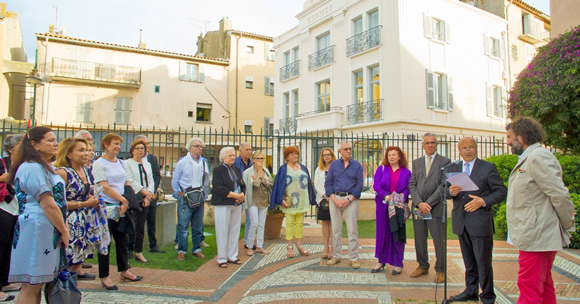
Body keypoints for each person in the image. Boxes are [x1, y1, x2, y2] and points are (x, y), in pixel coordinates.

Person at [506, 118, 575, 304]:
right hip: (535, 235)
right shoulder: (531, 158)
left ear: (522, 136)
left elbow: (559, 195)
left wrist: (567, 223)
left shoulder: (538, 158)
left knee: (529, 286)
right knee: (543, 286)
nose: (507, 142)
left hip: (538, 235)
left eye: (509, 137)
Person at [7, 127, 70, 304]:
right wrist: (64, 231)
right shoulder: (32, 168)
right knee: (32, 283)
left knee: (38, 283)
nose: (55, 143)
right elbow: (48, 204)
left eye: (55, 139)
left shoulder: (45, 167)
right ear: (34, 144)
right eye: (50, 140)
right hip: (37, 227)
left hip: (45, 227)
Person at [447, 137, 506, 303]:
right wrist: (451, 192)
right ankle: (471, 290)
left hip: (480, 223)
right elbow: (444, 192)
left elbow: (501, 192)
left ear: (476, 148)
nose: (468, 150)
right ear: (459, 150)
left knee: (483, 262)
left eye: (471, 147)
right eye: (464, 148)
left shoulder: (487, 168)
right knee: (469, 262)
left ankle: (487, 295)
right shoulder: (455, 168)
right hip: (461, 222)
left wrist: (483, 201)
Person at [55, 138, 110, 281]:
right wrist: (85, 204)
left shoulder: (85, 171)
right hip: (68, 221)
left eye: (87, 150)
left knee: (77, 261)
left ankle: (71, 293)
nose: (86, 153)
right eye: (81, 150)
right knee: (65, 263)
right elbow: (57, 203)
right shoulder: (63, 173)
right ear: (68, 154)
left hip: (84, 222)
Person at [93, 133, 142, 290]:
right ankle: (104, 275)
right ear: (106, 145)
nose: (117, 147)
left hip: (121, 207)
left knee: (122, 239)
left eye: (119, 144)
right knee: (105, 242)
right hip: (106, 206)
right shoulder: (99, 164)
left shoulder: (121, 163)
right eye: (115, 143)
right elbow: (104, 186)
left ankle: (124, 269)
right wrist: (122, 200)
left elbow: (126, 182)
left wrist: (125, 201)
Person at [409, 133, 450, 283]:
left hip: (436, 207)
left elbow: (444, 185)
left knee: (438, 239)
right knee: (419, 239)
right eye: (427, 143)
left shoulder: (445, 162)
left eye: (433, 142)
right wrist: (419, 203)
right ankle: (422, 265)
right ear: (422, 145)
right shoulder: (417, 162)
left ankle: (440, 269)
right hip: (419, 208)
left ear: (437, 144)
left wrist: (429, 204)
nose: (430, 145)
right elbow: (412, 184)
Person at [372, 146, 412, 275]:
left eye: (394, 155)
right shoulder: (382, 169)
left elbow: (409, 187)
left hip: (398, 206)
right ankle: (381, 260)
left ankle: (397, 263)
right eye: (389, 155)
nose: (391, 157)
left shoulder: (406, 172)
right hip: (383, 204)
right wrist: (386, 196)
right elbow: (376, 185)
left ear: (399, 156)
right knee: (382, 233)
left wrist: (401, 197)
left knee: (397, 233)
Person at [271, 146, 316, 259]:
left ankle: (299, 244)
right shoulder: (283, 169)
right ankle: (290, 246)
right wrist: (280, 199)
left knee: (300, 223)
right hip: (289, 201)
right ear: (287, 157)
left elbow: (309, 183)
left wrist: (311, 197)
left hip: (302, 200)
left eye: (296, 153)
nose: (295, 156)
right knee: (290, 223)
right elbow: (278, 185)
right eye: (292, 154)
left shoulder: (303, 168)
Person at [324, 141, 364, 269]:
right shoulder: (334, 165)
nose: (348, 151)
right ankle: (336, 255)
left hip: (350, 199)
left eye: (350, 149)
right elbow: (328, 183)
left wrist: (349, 199)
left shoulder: (357, 165)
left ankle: (354, 257)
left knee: (352, 230)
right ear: (340, 151)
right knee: (336, 230)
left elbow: (360, 184)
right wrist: (334, 199)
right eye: (346, 149)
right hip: (335, 198)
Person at [171, 138, 209, 261]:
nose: (200, 148)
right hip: (186, 197)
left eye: (201, 146)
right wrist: (179, 193)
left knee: (198, 225)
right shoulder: (183, 162)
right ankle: (182, 250)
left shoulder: (203, 162)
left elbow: (206, 179)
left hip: (199, 196)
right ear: (190, 148)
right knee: (183, 225)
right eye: (197, 146)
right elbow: (175, 180)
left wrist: (205, 192)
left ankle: (197, 248)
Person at [212, 147, 245, 268]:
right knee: (222, 230)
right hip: (223, 203)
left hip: (236, 203)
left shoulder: (236, 169)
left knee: (234, 229)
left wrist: (241, 195)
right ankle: (222, 258)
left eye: (233, 155)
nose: (233, 157)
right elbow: (218, 187)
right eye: (230, 155)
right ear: (223, 157)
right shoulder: (218, 170)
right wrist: (235, 195)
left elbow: (242, 184)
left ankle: (232, 255)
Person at [0, 134, 23, 301]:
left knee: (9, 247)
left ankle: (4, 280)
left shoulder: (24, 164)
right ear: (10, 149)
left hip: (16, 209)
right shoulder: (3, 163)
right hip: (3, 207)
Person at [133, 135, 165, 254]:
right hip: (137, 195)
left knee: (151, 221)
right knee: (136, 223)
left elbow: (156, 175)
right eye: (142, 145)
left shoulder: (152, 158)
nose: (145, 147)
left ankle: (153, 245)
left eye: (147, 144)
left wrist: (152, 191)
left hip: (151, 194)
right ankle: (132, 248)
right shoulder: (130, 160)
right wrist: (143, 192)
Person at [125, 139, 155, 263]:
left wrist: (148, 196)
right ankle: (128, 249)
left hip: (145, 198)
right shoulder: (127, 163)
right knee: (131, 225)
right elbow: (130, 180)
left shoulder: (147, 164)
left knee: (141, 227)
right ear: (132, 150)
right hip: (133, 196)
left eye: (142, 148)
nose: (140, 150)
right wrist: (144, 192)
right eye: (137, 148)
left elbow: (151, 180)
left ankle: (139, 251)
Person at [242, 151, 273, 256]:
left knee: (261, 224)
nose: (260, 160)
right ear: (253, 160)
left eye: (262, 158)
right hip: (252, 201)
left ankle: (259, 246)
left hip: (264, 200)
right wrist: (259, 181)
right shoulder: (248, 172)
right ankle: (250, 246)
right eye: (258, 158)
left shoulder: (266, 171)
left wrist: (261, 180)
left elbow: (270, 184)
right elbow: (248, 186)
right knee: (253, 223)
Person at [313, 147, 336, 260]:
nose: (326, 157)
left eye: (328, 154)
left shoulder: (337, 168)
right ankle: (326, 247)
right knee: (325, 223)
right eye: (324, 155)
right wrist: (324, 195)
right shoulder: (319, 169)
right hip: (322, 200)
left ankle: (333, 248)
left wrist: (332, 195)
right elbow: (316, 184)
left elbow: (338, 182)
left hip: (334, 198)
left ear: (332, 156)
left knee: (333, 223)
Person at [234, 143, 254, 250]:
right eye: (246, 149)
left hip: (249, 194)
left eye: (250, 149)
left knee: (250, 220)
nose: (249, 152)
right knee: (236, 220)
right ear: (240, 151)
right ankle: (233, 244)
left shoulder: (251, 163)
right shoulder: (235, 163)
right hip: (239, 194)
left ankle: (247, 242)